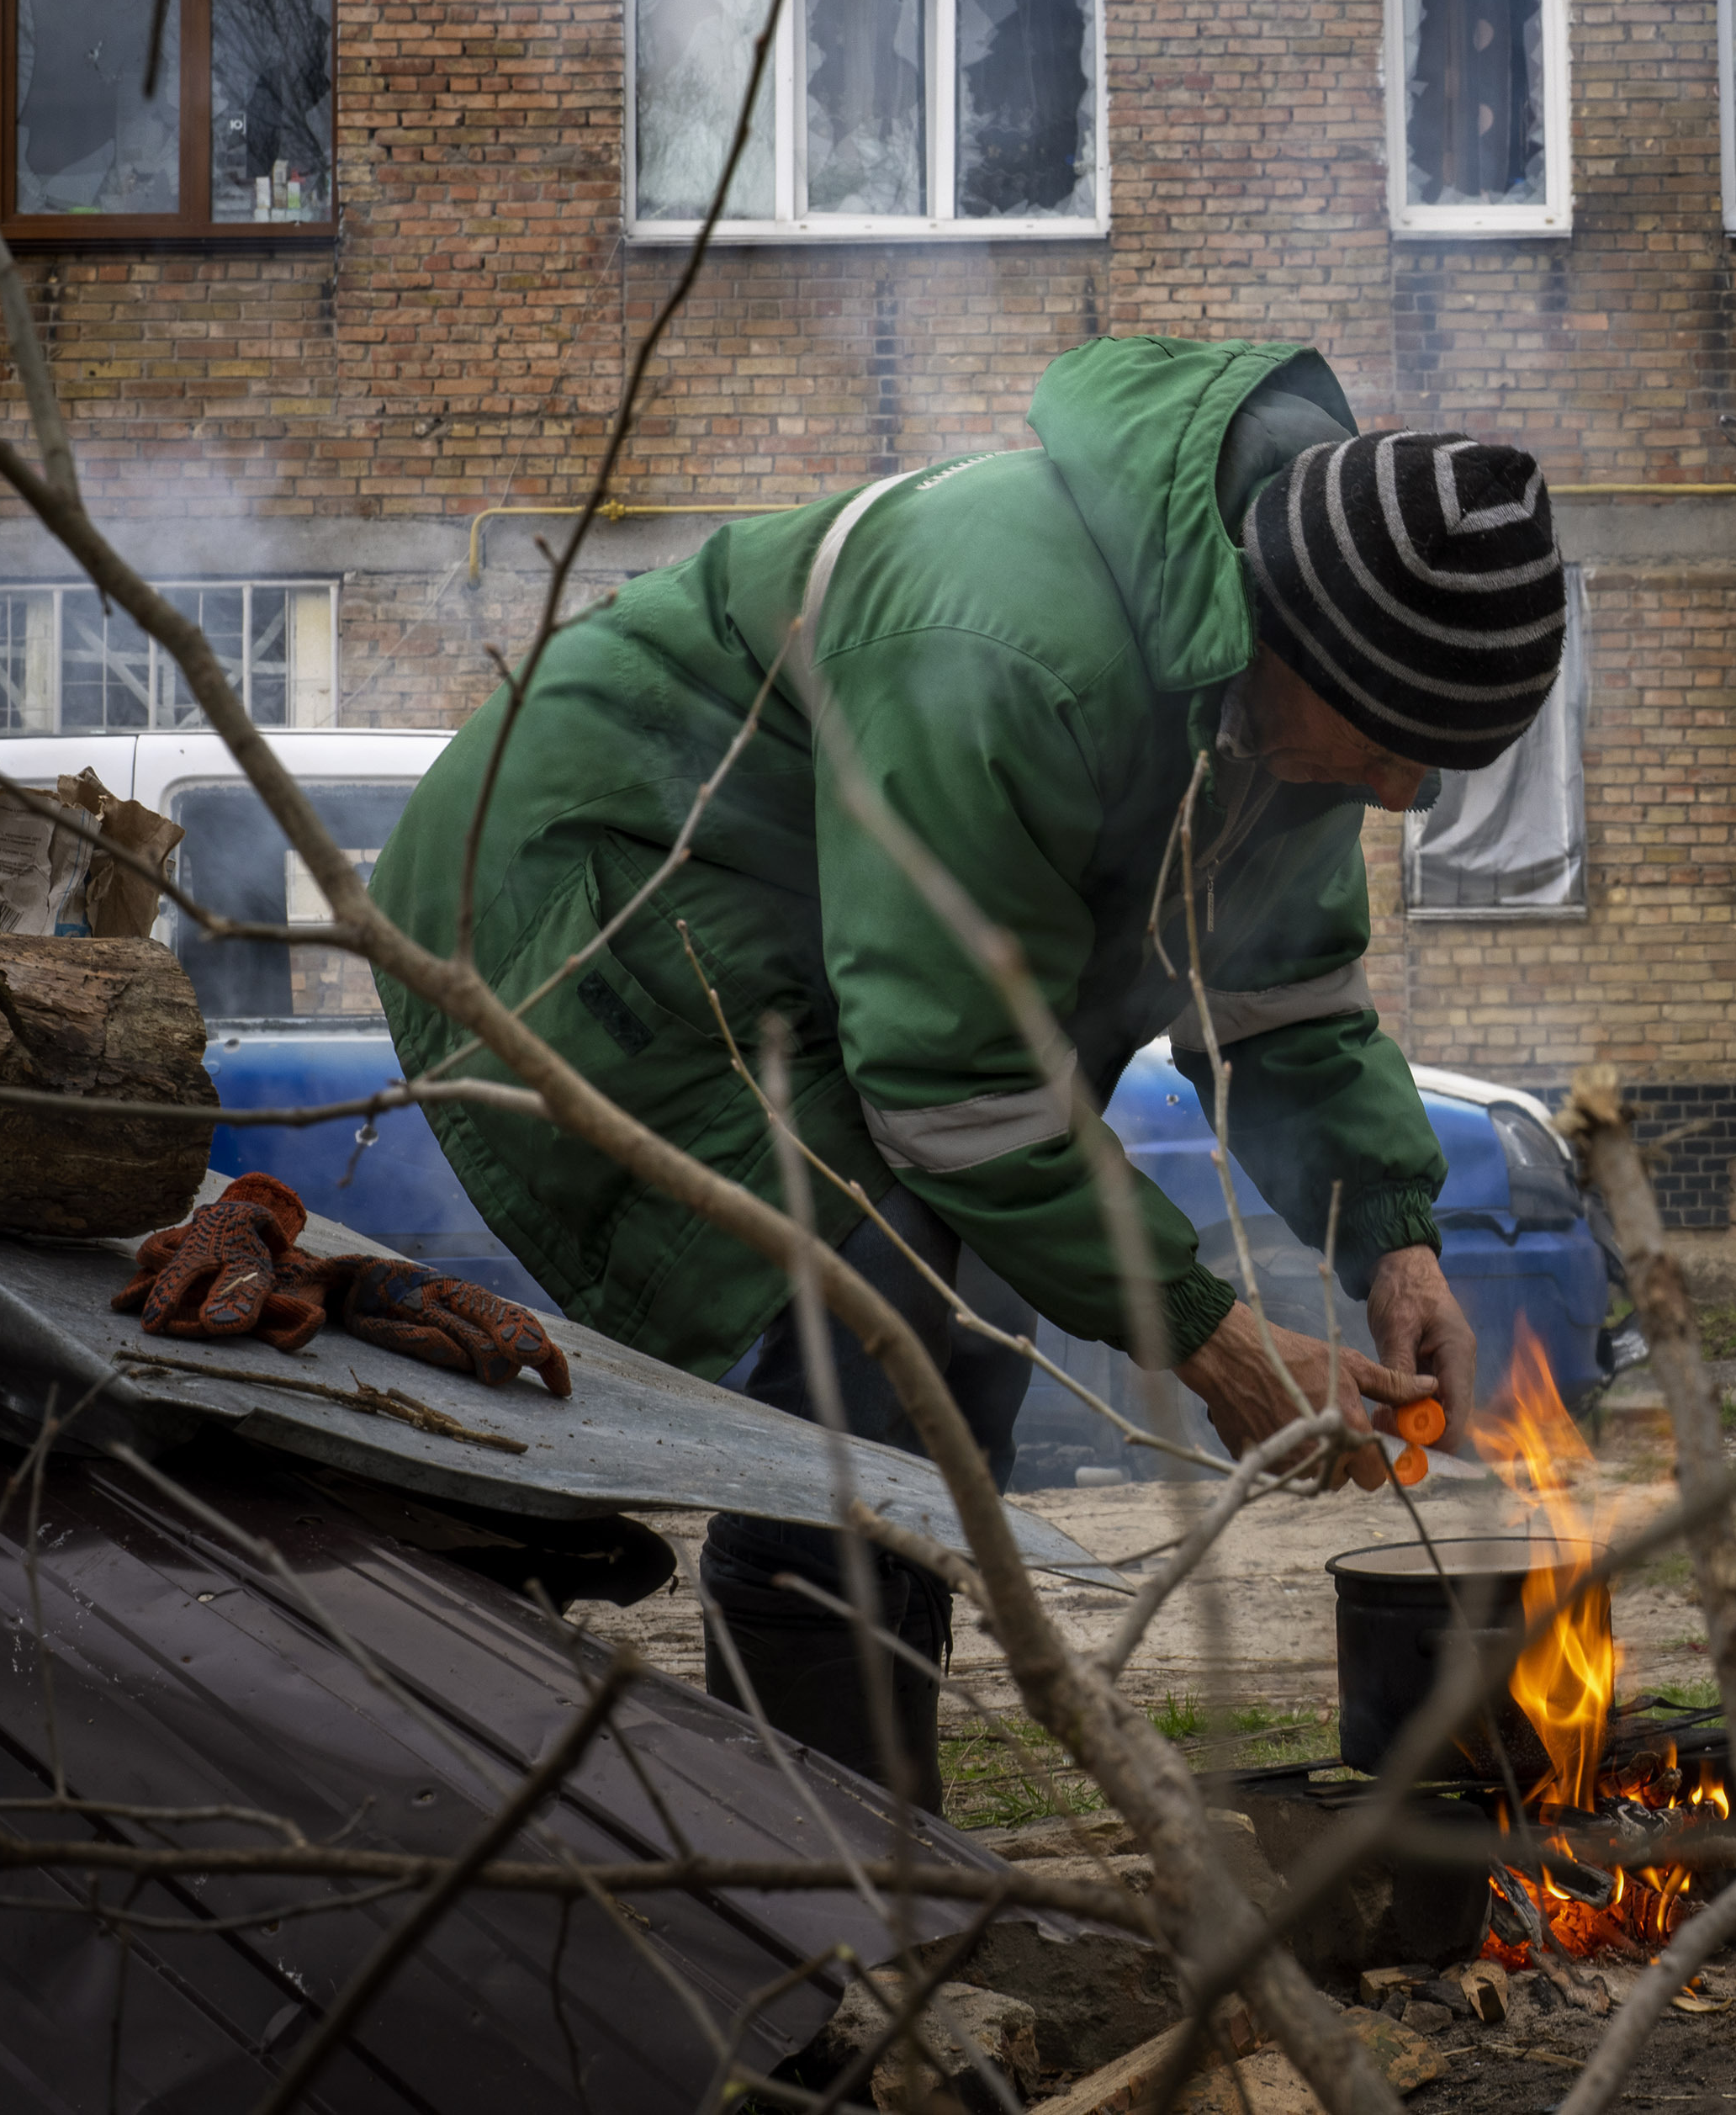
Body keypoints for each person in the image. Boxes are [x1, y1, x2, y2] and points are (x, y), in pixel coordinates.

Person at [372, 337, 1564, 1783]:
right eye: (1391, 744)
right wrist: (1216, 1338)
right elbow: (956, 1092)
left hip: (819, 931)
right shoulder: (1006, 641)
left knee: (960, 1336)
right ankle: (838, 1887)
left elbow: (1283, 999)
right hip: (586, 892)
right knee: (883, 1320)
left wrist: (1395, 1239)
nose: (1402, 789)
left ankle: (877, 1819)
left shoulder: (1294, 694)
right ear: (1288, 635)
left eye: (1440, 764)